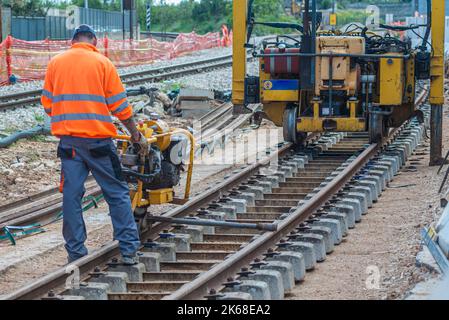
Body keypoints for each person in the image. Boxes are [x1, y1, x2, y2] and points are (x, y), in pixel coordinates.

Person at [41, 25, 146, 264]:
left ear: (73, 41)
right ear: (94, 41)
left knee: (71, 197)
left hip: (70, 144)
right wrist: (135, 134)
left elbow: (48, 105)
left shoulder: (56, 63)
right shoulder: (103, 63)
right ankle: (129, 249)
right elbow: (120, 106)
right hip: (98, 143)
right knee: (117, 192)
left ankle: (76, 254)